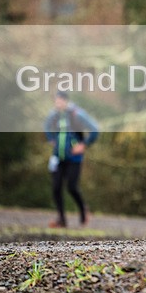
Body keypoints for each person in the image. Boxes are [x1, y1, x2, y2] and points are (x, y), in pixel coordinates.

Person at [43, 90, 99, 228]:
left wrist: (84, 144)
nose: (57, 103)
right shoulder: (54, 115)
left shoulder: (76, 114)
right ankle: (61, 219)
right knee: (56, 187)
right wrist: (51, 139)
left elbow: (95, 130)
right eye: (55, 101)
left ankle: (83, 211)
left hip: (74, 158)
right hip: (58, 157)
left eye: (59, 101)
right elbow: (46, 127)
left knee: (72, 187)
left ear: (65, 101)